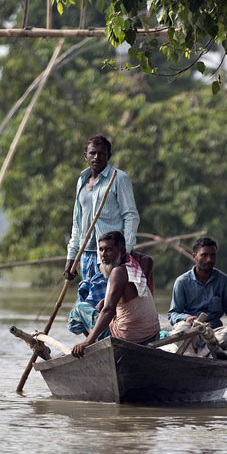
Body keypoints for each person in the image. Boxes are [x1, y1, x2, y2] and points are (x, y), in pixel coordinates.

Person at [62, 135, 140, 334]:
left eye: (101, 154)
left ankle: (108, 342)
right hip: (85, 254)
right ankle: (93, 346)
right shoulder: (81, 181)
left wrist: (126, 251)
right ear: (85, 156)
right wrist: (71, 256)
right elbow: (77, 223)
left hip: (108, 255)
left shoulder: (118, 178)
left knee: (103, 304)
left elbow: (130, 215)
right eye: (92, 153)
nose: (97, 157)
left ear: (109, 156)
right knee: (85, 306)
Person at [70, 231, 161, 356]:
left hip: (127, 339)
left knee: (78, 309)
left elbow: (108, 311)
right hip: (152, 335)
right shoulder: (133, 267)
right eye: (101, 250)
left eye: (108, 250)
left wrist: (87, 341)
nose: (103, 255)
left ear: (122, 252)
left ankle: (92, 345)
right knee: (102, 305)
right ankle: (93, 341)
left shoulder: (118, 272)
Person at [168, 237, 227, 353]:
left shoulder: (223, 281)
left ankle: (204, 354)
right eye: (204, 255)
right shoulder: (182, 282)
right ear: (194, 257)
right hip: (191, 332)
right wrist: (186, 318)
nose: (209, 259)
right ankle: (194, 354)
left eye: (213, 255)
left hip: (212, 334)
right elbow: (173, 313)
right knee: (181, 329)